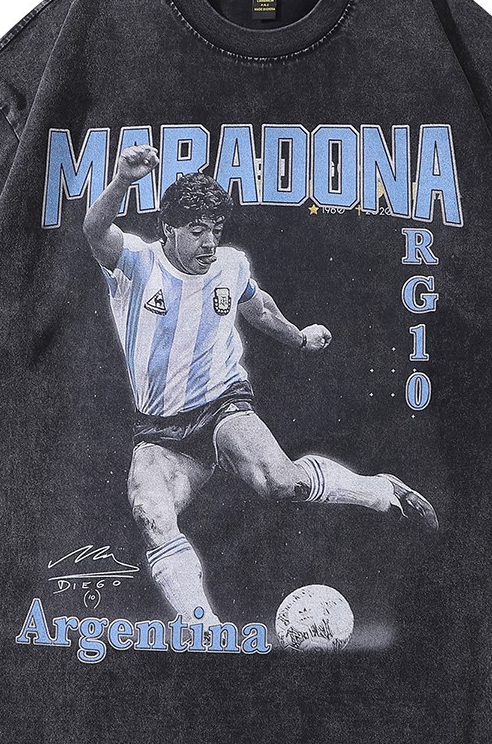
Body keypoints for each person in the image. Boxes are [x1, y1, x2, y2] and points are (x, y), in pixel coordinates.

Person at [83, 144, 439, 630]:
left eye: (216, 230)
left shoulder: (230, 266)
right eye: (197, 231)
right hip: (160, 430)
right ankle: (204, 629)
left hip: (222, 404)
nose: (209, 243)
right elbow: (94, 229)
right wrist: (124, 180)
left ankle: (382, 492)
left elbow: (260, 309)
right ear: (168, 228)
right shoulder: (135, 263)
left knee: (281, 483)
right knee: (151, 515)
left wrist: (300, 338)